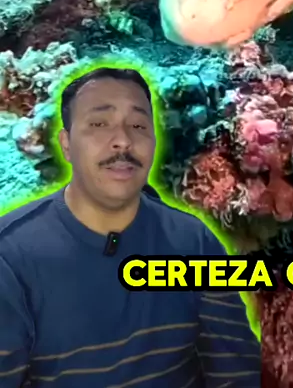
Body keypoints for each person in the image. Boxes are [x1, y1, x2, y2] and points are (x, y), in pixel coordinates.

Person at [0, 66, 261, 388]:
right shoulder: (11, 256)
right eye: (99, 124)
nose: (123, 141)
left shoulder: (192, 240)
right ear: (66, 145)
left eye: (138, 125)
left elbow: (236, 370)